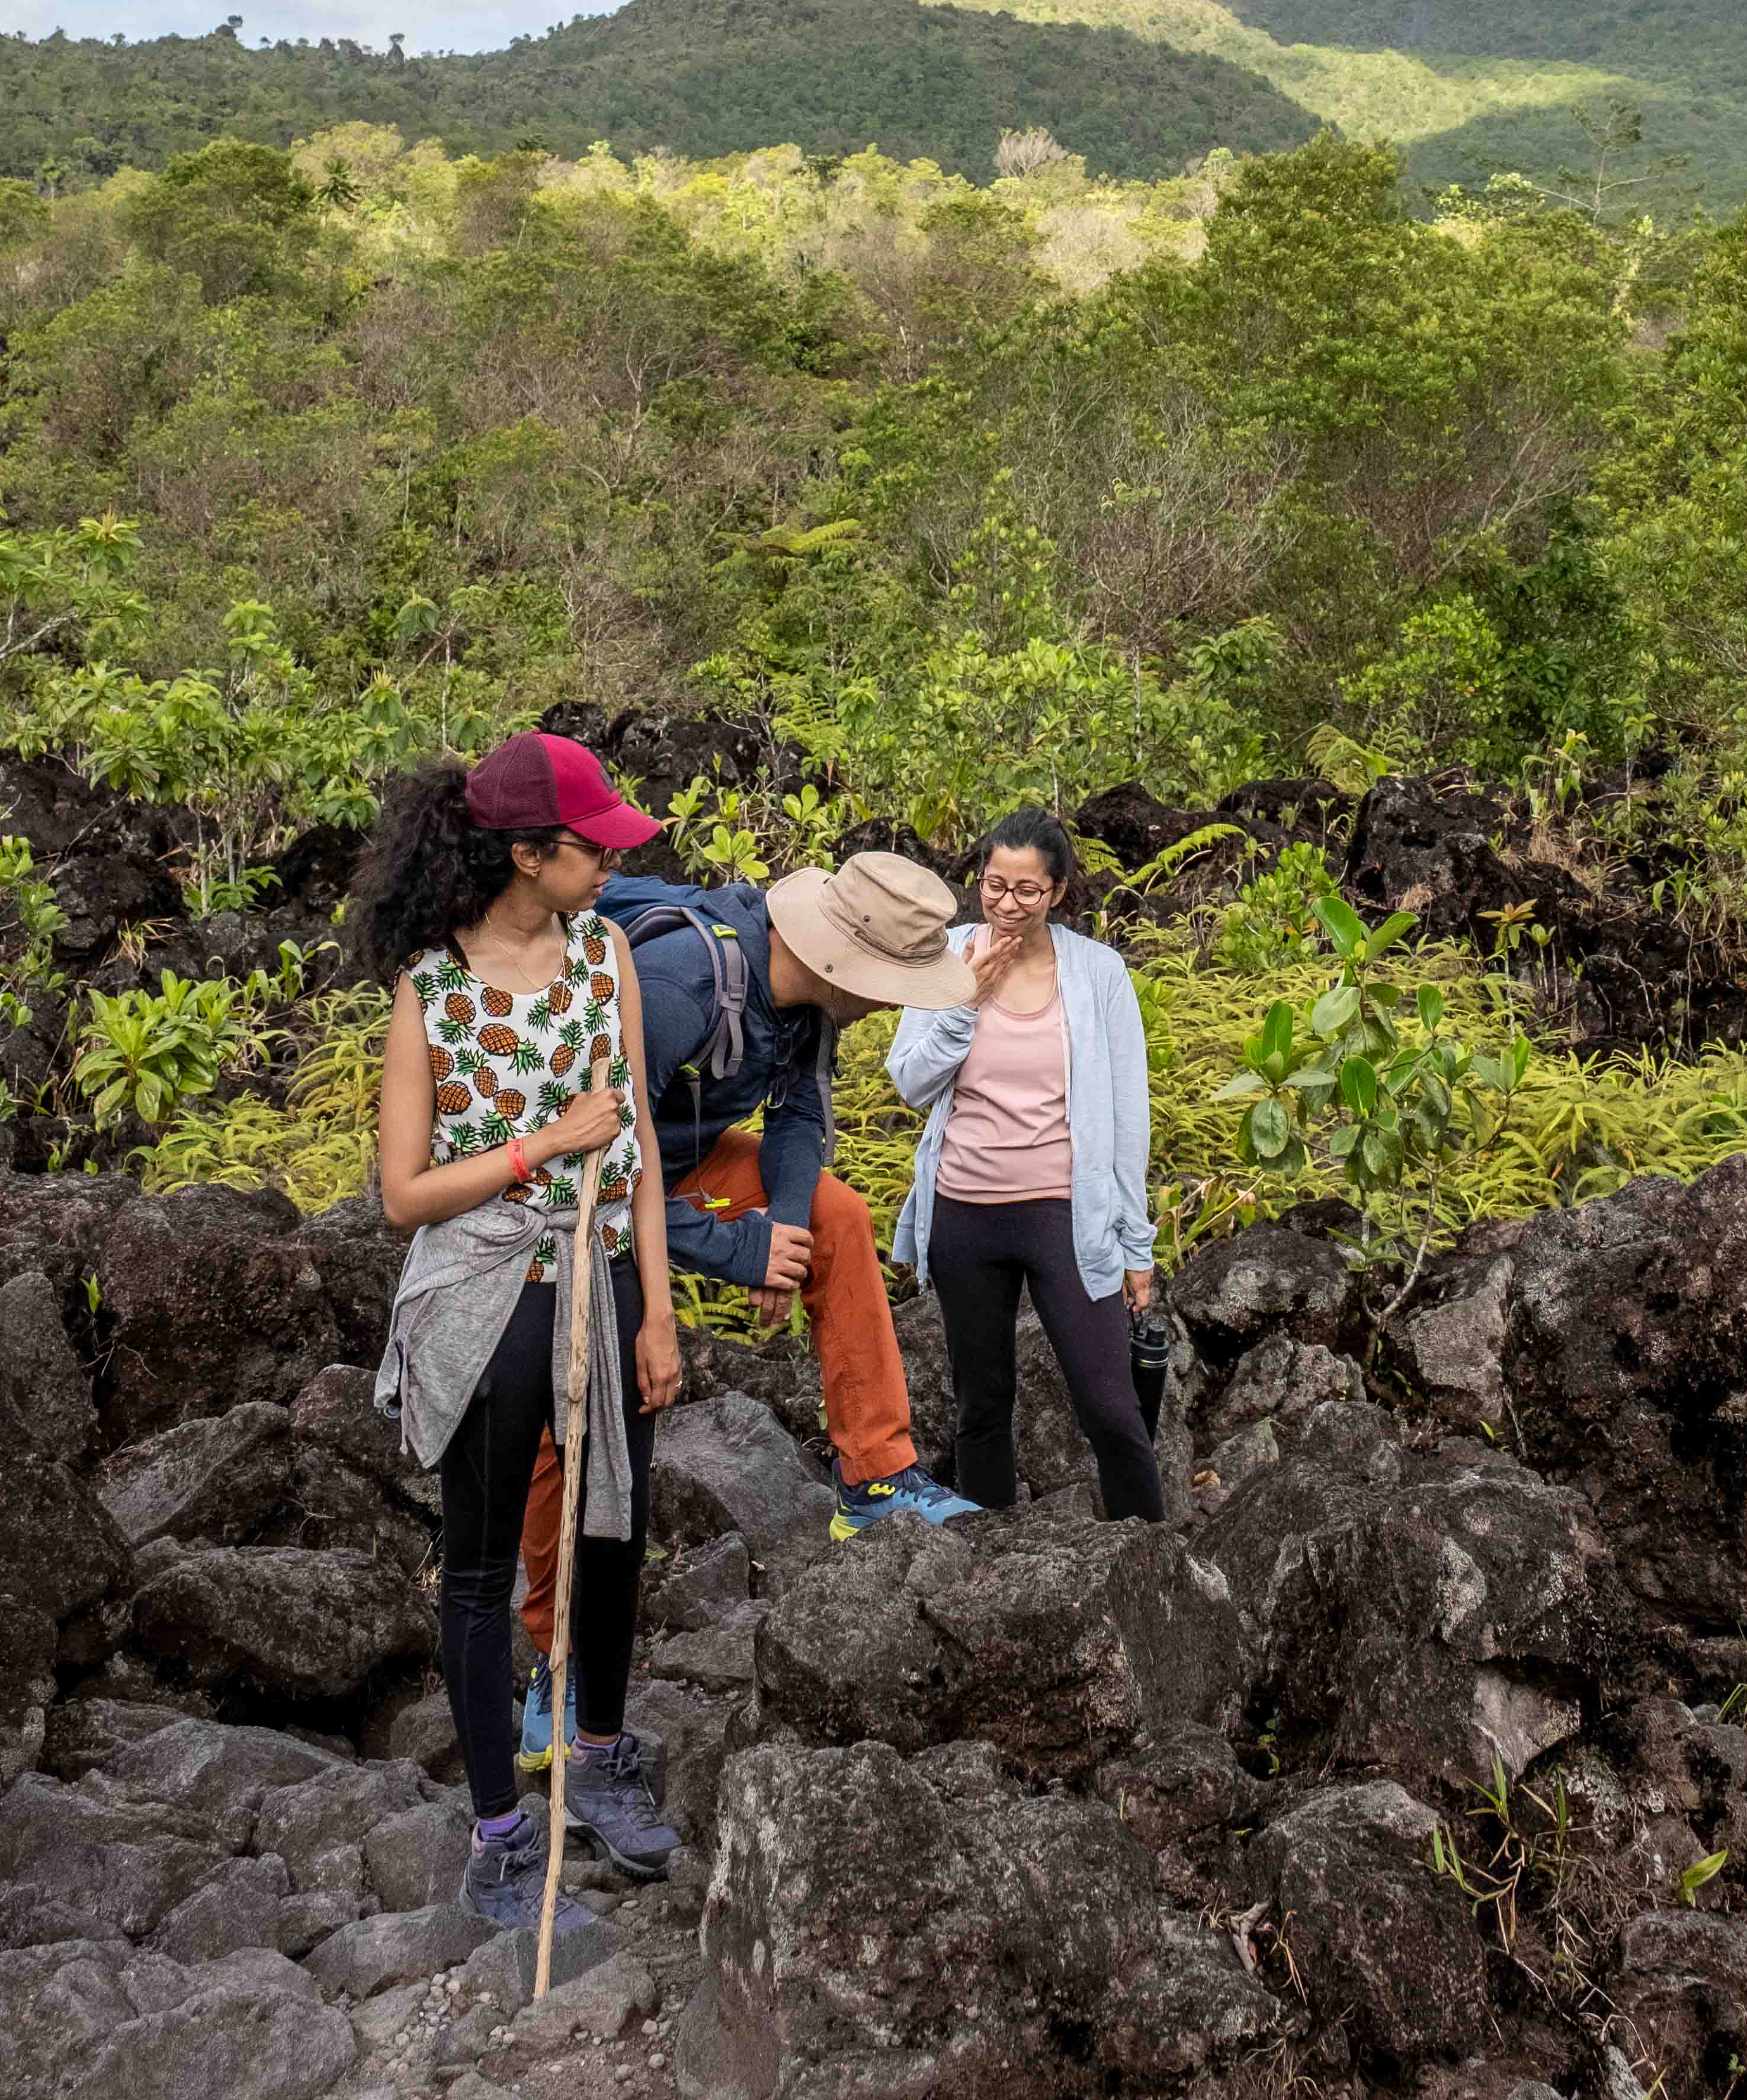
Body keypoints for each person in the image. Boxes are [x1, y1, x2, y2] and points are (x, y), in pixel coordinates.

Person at [512, 834, 982, 1764]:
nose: (896, 1001)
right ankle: (550, 1660)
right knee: (560, 1410)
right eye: (894, 979)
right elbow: (600, 1164)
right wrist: (737, 1249)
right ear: (843, 959)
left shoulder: (809, 1001)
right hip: (574, 1187)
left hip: (679, 1164)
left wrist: (788, 1233)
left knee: (839, 1217)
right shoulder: (688, 984)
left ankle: (875, 1476)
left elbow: (801, 1118)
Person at [365, 728, 684, 1944]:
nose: (609, 862)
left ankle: (597, 1758)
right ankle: (500, 1828)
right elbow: (403, 1195)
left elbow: (642, 1143)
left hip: (601, 1285)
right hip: (488, 1294)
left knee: (614, 1535)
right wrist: (544, 1146)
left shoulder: (607, 956)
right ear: (526, 851)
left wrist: (657, 1311)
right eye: (589, 846)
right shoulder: (431, 993)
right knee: (484, 1565)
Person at [887, 808, 1165, 1522]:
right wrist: (966, 998)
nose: (1007, 905)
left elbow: (1127, 1117)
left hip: (1063, 1213)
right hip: (963, 1211)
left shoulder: (1098, 973)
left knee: (1109, 1406)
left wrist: (1138, 1248)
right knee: (981, 1405)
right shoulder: (946, 957)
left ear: (1060, 892)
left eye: (1027, 891)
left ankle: (1154, 1560)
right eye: (993, 887)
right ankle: (991, 1570)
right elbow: (911, 1082)